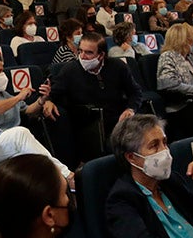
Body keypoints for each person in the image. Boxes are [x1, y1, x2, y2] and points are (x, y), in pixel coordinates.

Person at [0, 54, 74, 188]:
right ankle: (67, 176)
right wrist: (19, 97)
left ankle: (52, 188)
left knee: (28, 157)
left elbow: (28, 110)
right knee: (20, 134)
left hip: (6, 142)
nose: (2, 75)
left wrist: (42, 99)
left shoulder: (1, 93)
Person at [44, 32, 142, 162]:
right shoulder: (70, 70)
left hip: (119, 120)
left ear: (101, 55)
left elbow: (135, 92)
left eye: (88, 53)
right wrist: (49, 100)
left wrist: (130, 109)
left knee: (144, 143)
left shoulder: (117, 66)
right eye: (80, 51)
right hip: (89, 125)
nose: (82, 57)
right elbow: (54, 93)